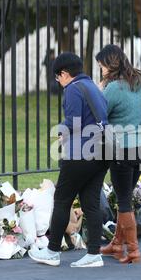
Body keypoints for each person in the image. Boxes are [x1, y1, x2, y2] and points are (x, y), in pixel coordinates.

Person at [28, 52, 109, 268]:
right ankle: (94, 254)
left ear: (64, 73)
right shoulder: (93, 87)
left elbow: (73, 121)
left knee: (62, 200)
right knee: (91, 203)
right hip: (102, 152)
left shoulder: (73, 89)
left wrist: (61, 130)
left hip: (80, 153)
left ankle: (52, 250)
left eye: (58, 77)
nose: (59, 82)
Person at [96, 44, 141, 264]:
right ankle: (117, 244)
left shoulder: (112, 88)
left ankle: (134, 251)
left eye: (101, 65)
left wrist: (102, 89)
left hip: (121, 149)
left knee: (123, 201)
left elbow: (101, 114)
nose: (101, 69)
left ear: (109, 64)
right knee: (126, 195)